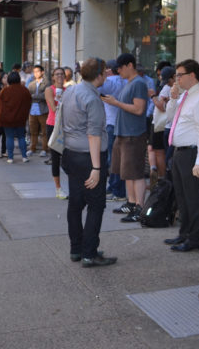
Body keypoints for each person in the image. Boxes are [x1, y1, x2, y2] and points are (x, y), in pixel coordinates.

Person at [60, 57, 117, 268]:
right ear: (99, 74)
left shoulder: (71, 91)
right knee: (96, 205)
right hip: (88, 157)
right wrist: (96, 168)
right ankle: (89, 253)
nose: (107, 75)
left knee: (75, 203)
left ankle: (77, 249)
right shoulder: (92, 98)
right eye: (105, 72)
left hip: (71, 153)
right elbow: (94, 135)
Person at [163, 59, 199, 252]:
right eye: (176, 75)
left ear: (192, 75)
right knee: (182, 196)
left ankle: (195, 238)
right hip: (179, 152)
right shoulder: (185, 96)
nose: (176, 79)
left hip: (193, 153)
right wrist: (174, 98)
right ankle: (184, 233)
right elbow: (170, 118)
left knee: (194, 197)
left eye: (180, 75)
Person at [102, 53, 149, 222]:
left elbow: (138, 109)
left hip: (133, 134)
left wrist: (116, 103)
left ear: (129, 65)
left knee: (135, 172)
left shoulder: (138, 84)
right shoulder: (130, 83)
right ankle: (130, 202)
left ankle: (139, 207)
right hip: (123, 133)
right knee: (126, 172)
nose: (118, 71)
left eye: (120, 68)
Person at [98, 59, 127, 201]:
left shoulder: (110, 82)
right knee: (117, 157)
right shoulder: (126, 82)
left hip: (111, 124)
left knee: (113, 158)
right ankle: (114, 186)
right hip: (121, 124)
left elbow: (94, 87)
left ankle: (116, 188)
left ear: (109, 70)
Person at [0, 71, 32, 164]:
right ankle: (24, 156)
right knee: (21, 137)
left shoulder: (5, 91)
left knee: (9, 137)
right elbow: (28, 103)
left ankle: (10, 157)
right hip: (21, 118)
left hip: (7, 119)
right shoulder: (24, 90)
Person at [44, 67, 68, 199]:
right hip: (53, 125)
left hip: (65, 126)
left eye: (62, 74)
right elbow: (53, 108)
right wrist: (58, 98)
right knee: (55, 158)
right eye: (57, 74)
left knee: (68, 157)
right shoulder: (50, 90)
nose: (59, 76)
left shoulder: (68, 90)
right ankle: (58, 188)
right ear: (53, 77)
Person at [150, 66, 174, 180]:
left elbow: (161, 107)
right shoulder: (172, 88)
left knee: (159, 152)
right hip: (168, 124)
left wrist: (153, 96)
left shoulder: (166, 88)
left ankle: (162, 178)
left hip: (162, 124)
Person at [27, 65, 49, 157]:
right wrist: (38, 96)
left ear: (42, 72)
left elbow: (45, 96)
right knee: (33, 131)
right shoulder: (31, 84)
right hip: (32, 110)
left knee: (44, 131)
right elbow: (28, 96)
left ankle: (44, 149)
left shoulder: (47, 83)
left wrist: (34, 96)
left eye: (38, 71)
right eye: (34, 71)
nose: (36, 73)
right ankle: (33, 148)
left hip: (43, 110)